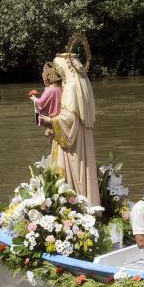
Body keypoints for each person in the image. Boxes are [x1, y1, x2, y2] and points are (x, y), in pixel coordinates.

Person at [37, 52, 100, 206]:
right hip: (81, 139)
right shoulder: (82, 85)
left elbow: (69, 119)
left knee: (69, 178)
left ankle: (72, 208)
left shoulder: (71, 87)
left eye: (59, 69)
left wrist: (51, 121)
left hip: (71, 146)